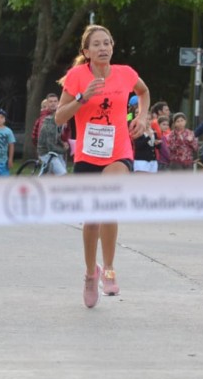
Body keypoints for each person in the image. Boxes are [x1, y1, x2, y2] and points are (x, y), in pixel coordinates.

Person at [55, 24, 150, 308]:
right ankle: (89, 273)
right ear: (86, 52)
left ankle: (109, 268)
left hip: (119, 150)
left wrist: (142, 117)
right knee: (92, 219)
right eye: (96, 44)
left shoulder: (126, 73)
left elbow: (143, 93)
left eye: (107, 43)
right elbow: (60, 117)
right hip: (87, 155)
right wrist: (83, 97)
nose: (103, 48)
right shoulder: (76, 76)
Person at [36, 97, 70, 175]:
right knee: (61, 173)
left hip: (55, 150)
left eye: (55, 101)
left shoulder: (58, 119)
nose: (53, 103)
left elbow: (57, 136)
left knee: (49, 172)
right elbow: (46, 140)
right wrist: (63, 149)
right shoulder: (47, 119)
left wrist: (62, 143)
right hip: (48, 151)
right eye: (51, 101)